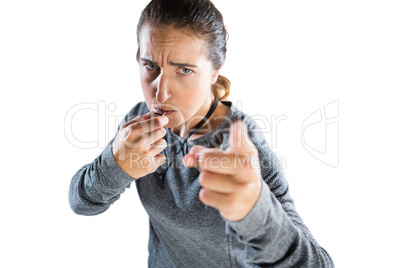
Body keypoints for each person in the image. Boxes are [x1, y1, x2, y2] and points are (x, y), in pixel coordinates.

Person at [69, 0, 334, 267]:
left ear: (214, 72)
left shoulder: (242, 148)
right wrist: (113, 166)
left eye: (184, 70)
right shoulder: (138, 123)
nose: (160, 94)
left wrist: (258, 214)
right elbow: (81, 204)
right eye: (151, 66)